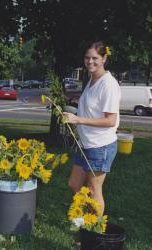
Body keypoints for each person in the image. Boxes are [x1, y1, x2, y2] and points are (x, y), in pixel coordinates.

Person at [63, 41, 121, 216]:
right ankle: (87, 215)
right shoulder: (91, 80)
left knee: (94, 190)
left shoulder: (108, 84)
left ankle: (94, 235)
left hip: (100, 146)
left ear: (104, 58)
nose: (90, 61)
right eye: (87, 58)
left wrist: (78, 119)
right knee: (74, 184)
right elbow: (93, 106)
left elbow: (110, 121)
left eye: (95, 58)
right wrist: (76, 103)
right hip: (86, 144)